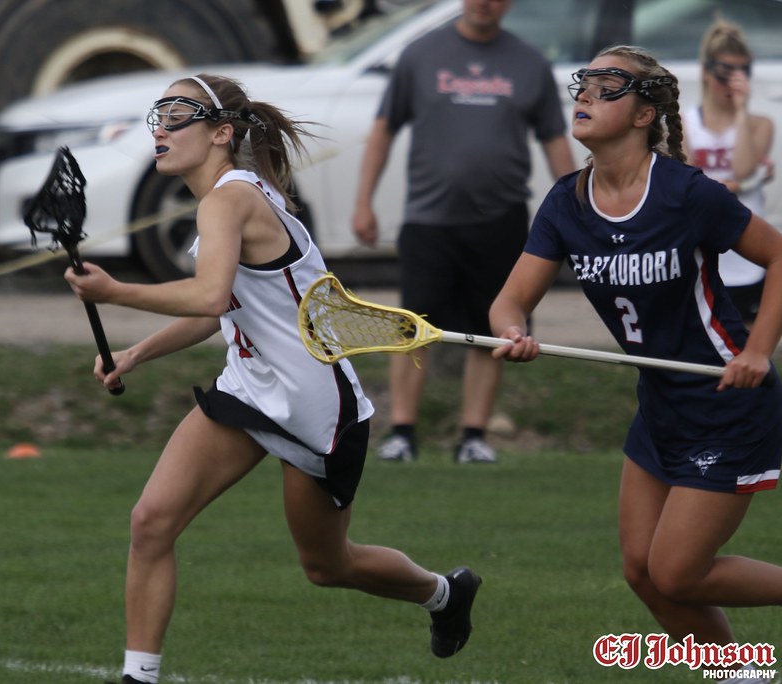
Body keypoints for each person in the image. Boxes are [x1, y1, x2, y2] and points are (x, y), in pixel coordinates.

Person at [64, 73, 482, 684]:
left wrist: (115, 291)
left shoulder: (229, 199)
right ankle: (139, 677)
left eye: (178, 113)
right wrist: (136, 354)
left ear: (220, 133)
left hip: (316, 405)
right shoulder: (224, 201)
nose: (160, 126)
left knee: (327, 567)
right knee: (151, 522)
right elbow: (224, 313)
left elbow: (207, 298)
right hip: (248, 387)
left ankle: (445, 594)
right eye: (157, 112)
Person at [489, 45, 782, 681]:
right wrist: (513, 332)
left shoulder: (687, 194)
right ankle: (742, 676)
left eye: (607, 85)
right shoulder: (567, 202)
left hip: (727, 402)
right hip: (661, 406)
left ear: (646, 112)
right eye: (583, 83)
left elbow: (779, 256)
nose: (585, 95)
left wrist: (758, 349)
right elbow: (510, 301)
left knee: (677, 571)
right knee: (642, 572)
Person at [352, 0, 575, 464]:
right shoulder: (420, 54)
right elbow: (383, 129)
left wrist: (577, 212)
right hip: (428, 219)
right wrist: (363, 202)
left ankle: (473, 436)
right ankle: (402, 434)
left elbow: (555, 138)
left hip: (502, 218)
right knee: (411, 329)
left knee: (490, 329)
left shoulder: (529, 62)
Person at [683, 18, 775, 322]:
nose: (733, 81)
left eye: (742, 72)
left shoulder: (760, 125)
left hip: (750, 257)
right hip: (704, 251)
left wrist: (739, 109)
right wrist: (734, 184)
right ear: (706, 72)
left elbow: (743, 166)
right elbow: (688, 182)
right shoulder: (684, 124)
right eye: (725, 72)